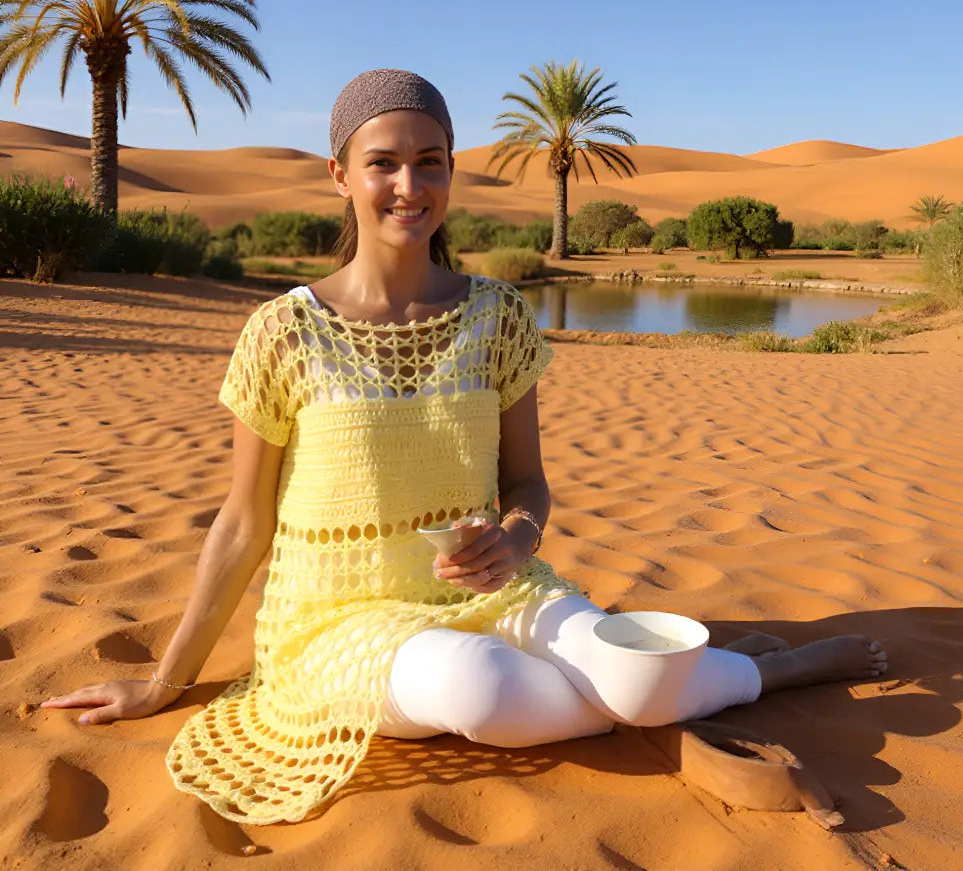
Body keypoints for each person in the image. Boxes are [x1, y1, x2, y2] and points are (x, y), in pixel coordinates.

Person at [41, 69, 888, 826]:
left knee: (612, 675)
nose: (409, 185)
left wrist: (517, 539)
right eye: (384, 162)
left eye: (431, 160)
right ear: (341, 175)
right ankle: (679, 709)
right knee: (486, 688)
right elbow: (241, 522)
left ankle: (753, 677)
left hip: (497, 592)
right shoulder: (284, 333)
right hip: (339, 625)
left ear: (451, 170)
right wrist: (166, 680)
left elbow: (528, 483)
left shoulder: (498, 318)